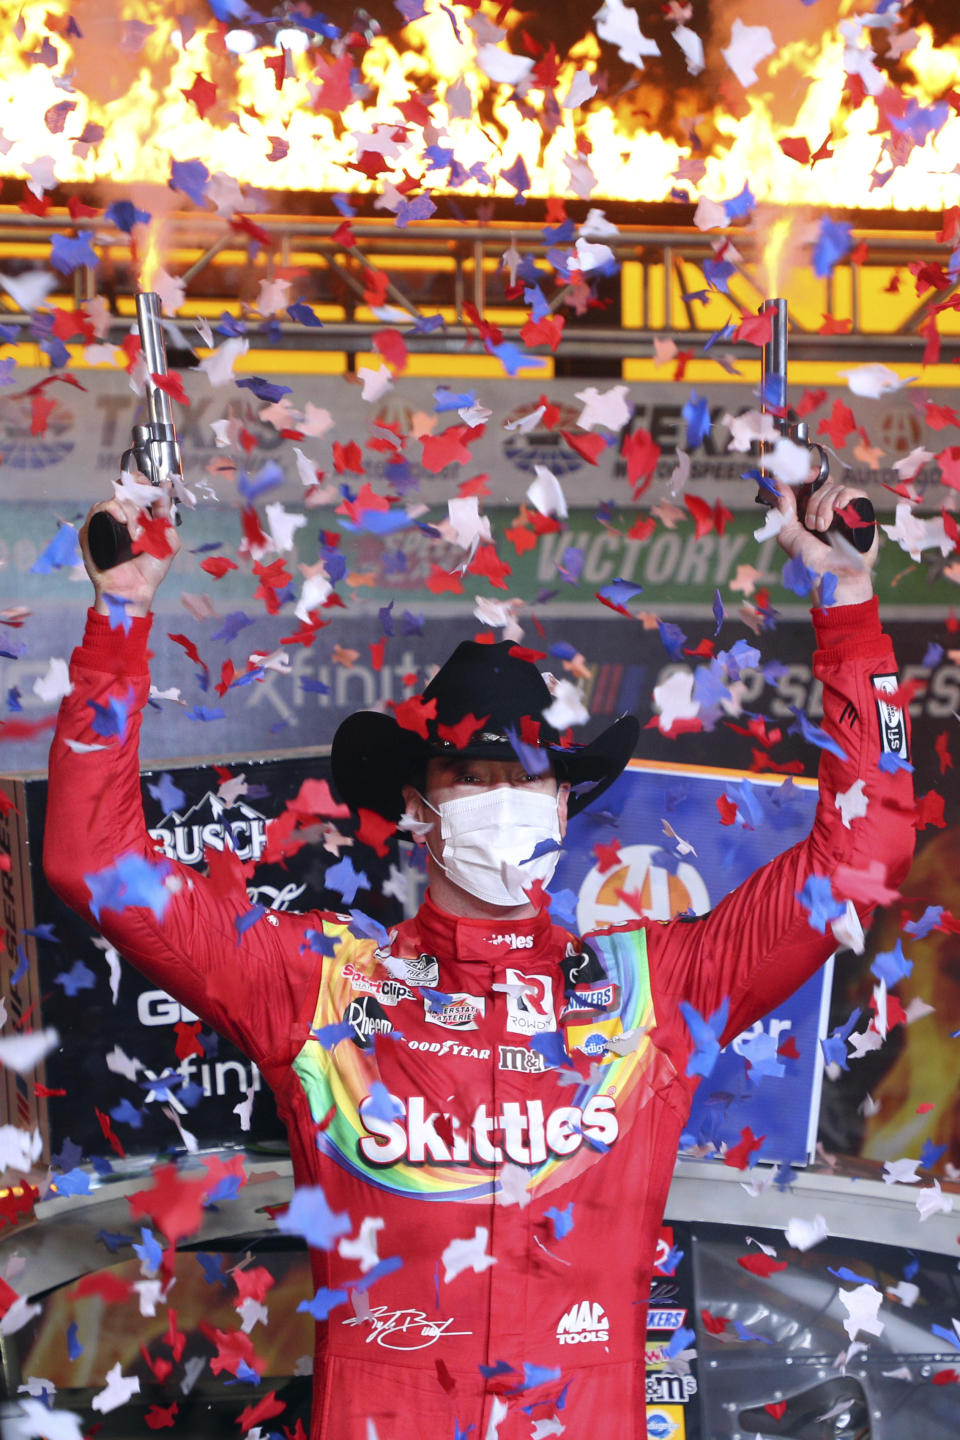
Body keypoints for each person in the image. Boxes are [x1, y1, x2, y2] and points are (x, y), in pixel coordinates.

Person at [44, 475, 915, 1440]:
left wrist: (847, 603)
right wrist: (119, 620)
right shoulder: (320, 985)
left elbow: (863, 853)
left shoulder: (652, 990)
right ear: (419, 806)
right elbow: (94, 859)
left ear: (562, 804)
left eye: (527, 776)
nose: (502, 795)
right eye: (470, 774)